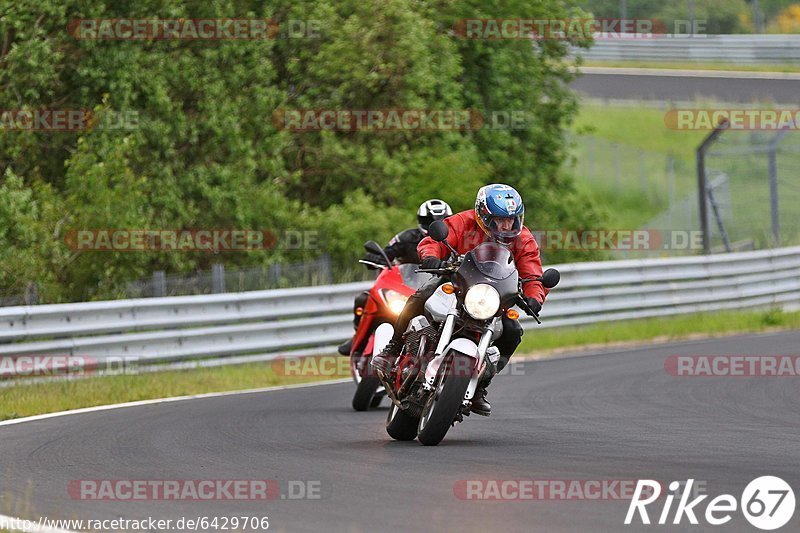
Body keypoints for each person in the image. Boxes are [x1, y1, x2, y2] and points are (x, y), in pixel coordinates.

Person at [371, 184, 548, 416]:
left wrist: (534, 296)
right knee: (421, 295)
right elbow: (432, 242)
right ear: (484, 215)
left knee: (513, 332)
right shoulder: (463, 222)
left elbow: (533, 273)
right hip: (456, 283)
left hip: (491, 296)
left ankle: (479, 387)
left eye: (511, 219)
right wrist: (432, 258)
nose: (507, 225)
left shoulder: (523, 238)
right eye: (499, 220)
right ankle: (392, 348)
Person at [337, 199, 453, 356]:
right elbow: (388, 251)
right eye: (429, 221)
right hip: (404, 286)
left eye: (440, 221)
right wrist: (376, 258)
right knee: (363, 299)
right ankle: (358, 337)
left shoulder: (453, 239)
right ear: (420, 221)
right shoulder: (407, 237)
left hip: (437, 287)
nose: (434, 224)